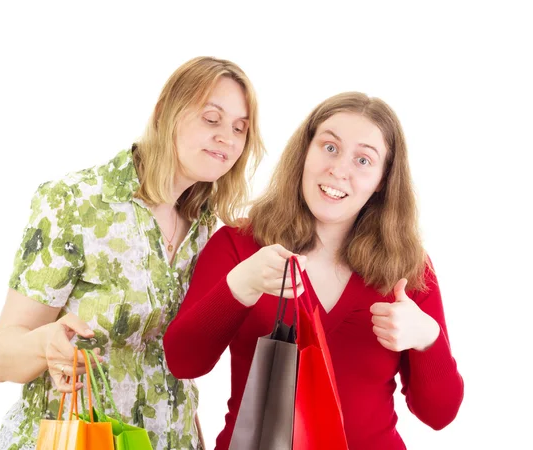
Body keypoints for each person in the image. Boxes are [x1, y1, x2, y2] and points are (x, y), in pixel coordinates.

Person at [0, 56, 265, 450]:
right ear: (163, 112)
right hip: (74, 440)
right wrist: (44, 344)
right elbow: (1, 358)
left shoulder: (203, 222)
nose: (228, 137)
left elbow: (172, 367)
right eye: (211, 118)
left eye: (240, 129)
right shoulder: (76, 203)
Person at [164, 92, 464, 449]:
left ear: (383, 179)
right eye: (330, 147)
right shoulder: (239, 244)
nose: (339, 170)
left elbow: (440, 414)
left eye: (364, 160)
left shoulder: (407, 267)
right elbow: (183, 362)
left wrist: (427, 339)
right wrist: (241, 286)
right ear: (305, 151)